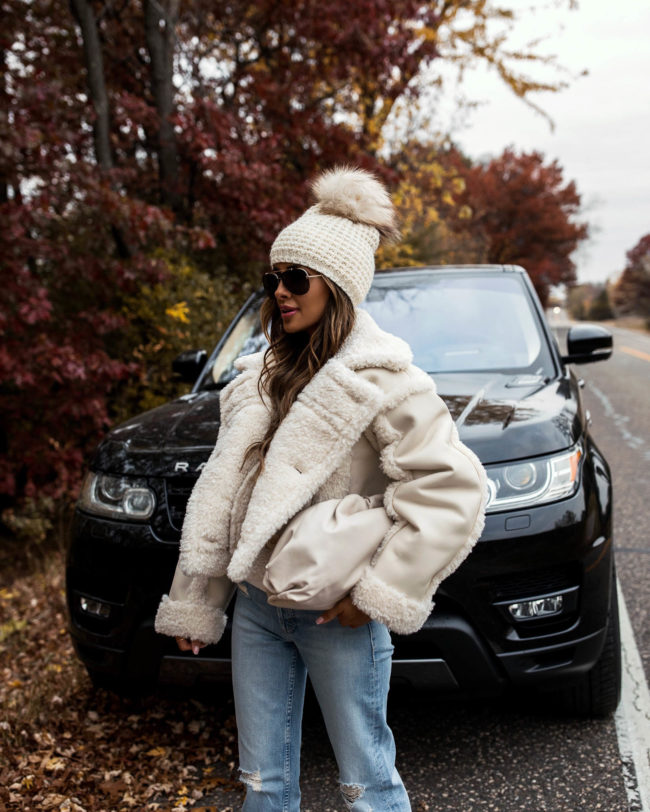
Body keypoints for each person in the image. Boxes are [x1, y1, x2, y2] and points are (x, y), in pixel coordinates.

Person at [155, 166, 488, 811]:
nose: (279, 292)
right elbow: (228, 500)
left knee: (366, 783)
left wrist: (376, 596)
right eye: (272, 278)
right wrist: (200, 599)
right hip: (256, 607)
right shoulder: (257, 380)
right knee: (262, 782)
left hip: (335, 613)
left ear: (336, 288)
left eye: (296, 278)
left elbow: (452, 490)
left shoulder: (386, 383)